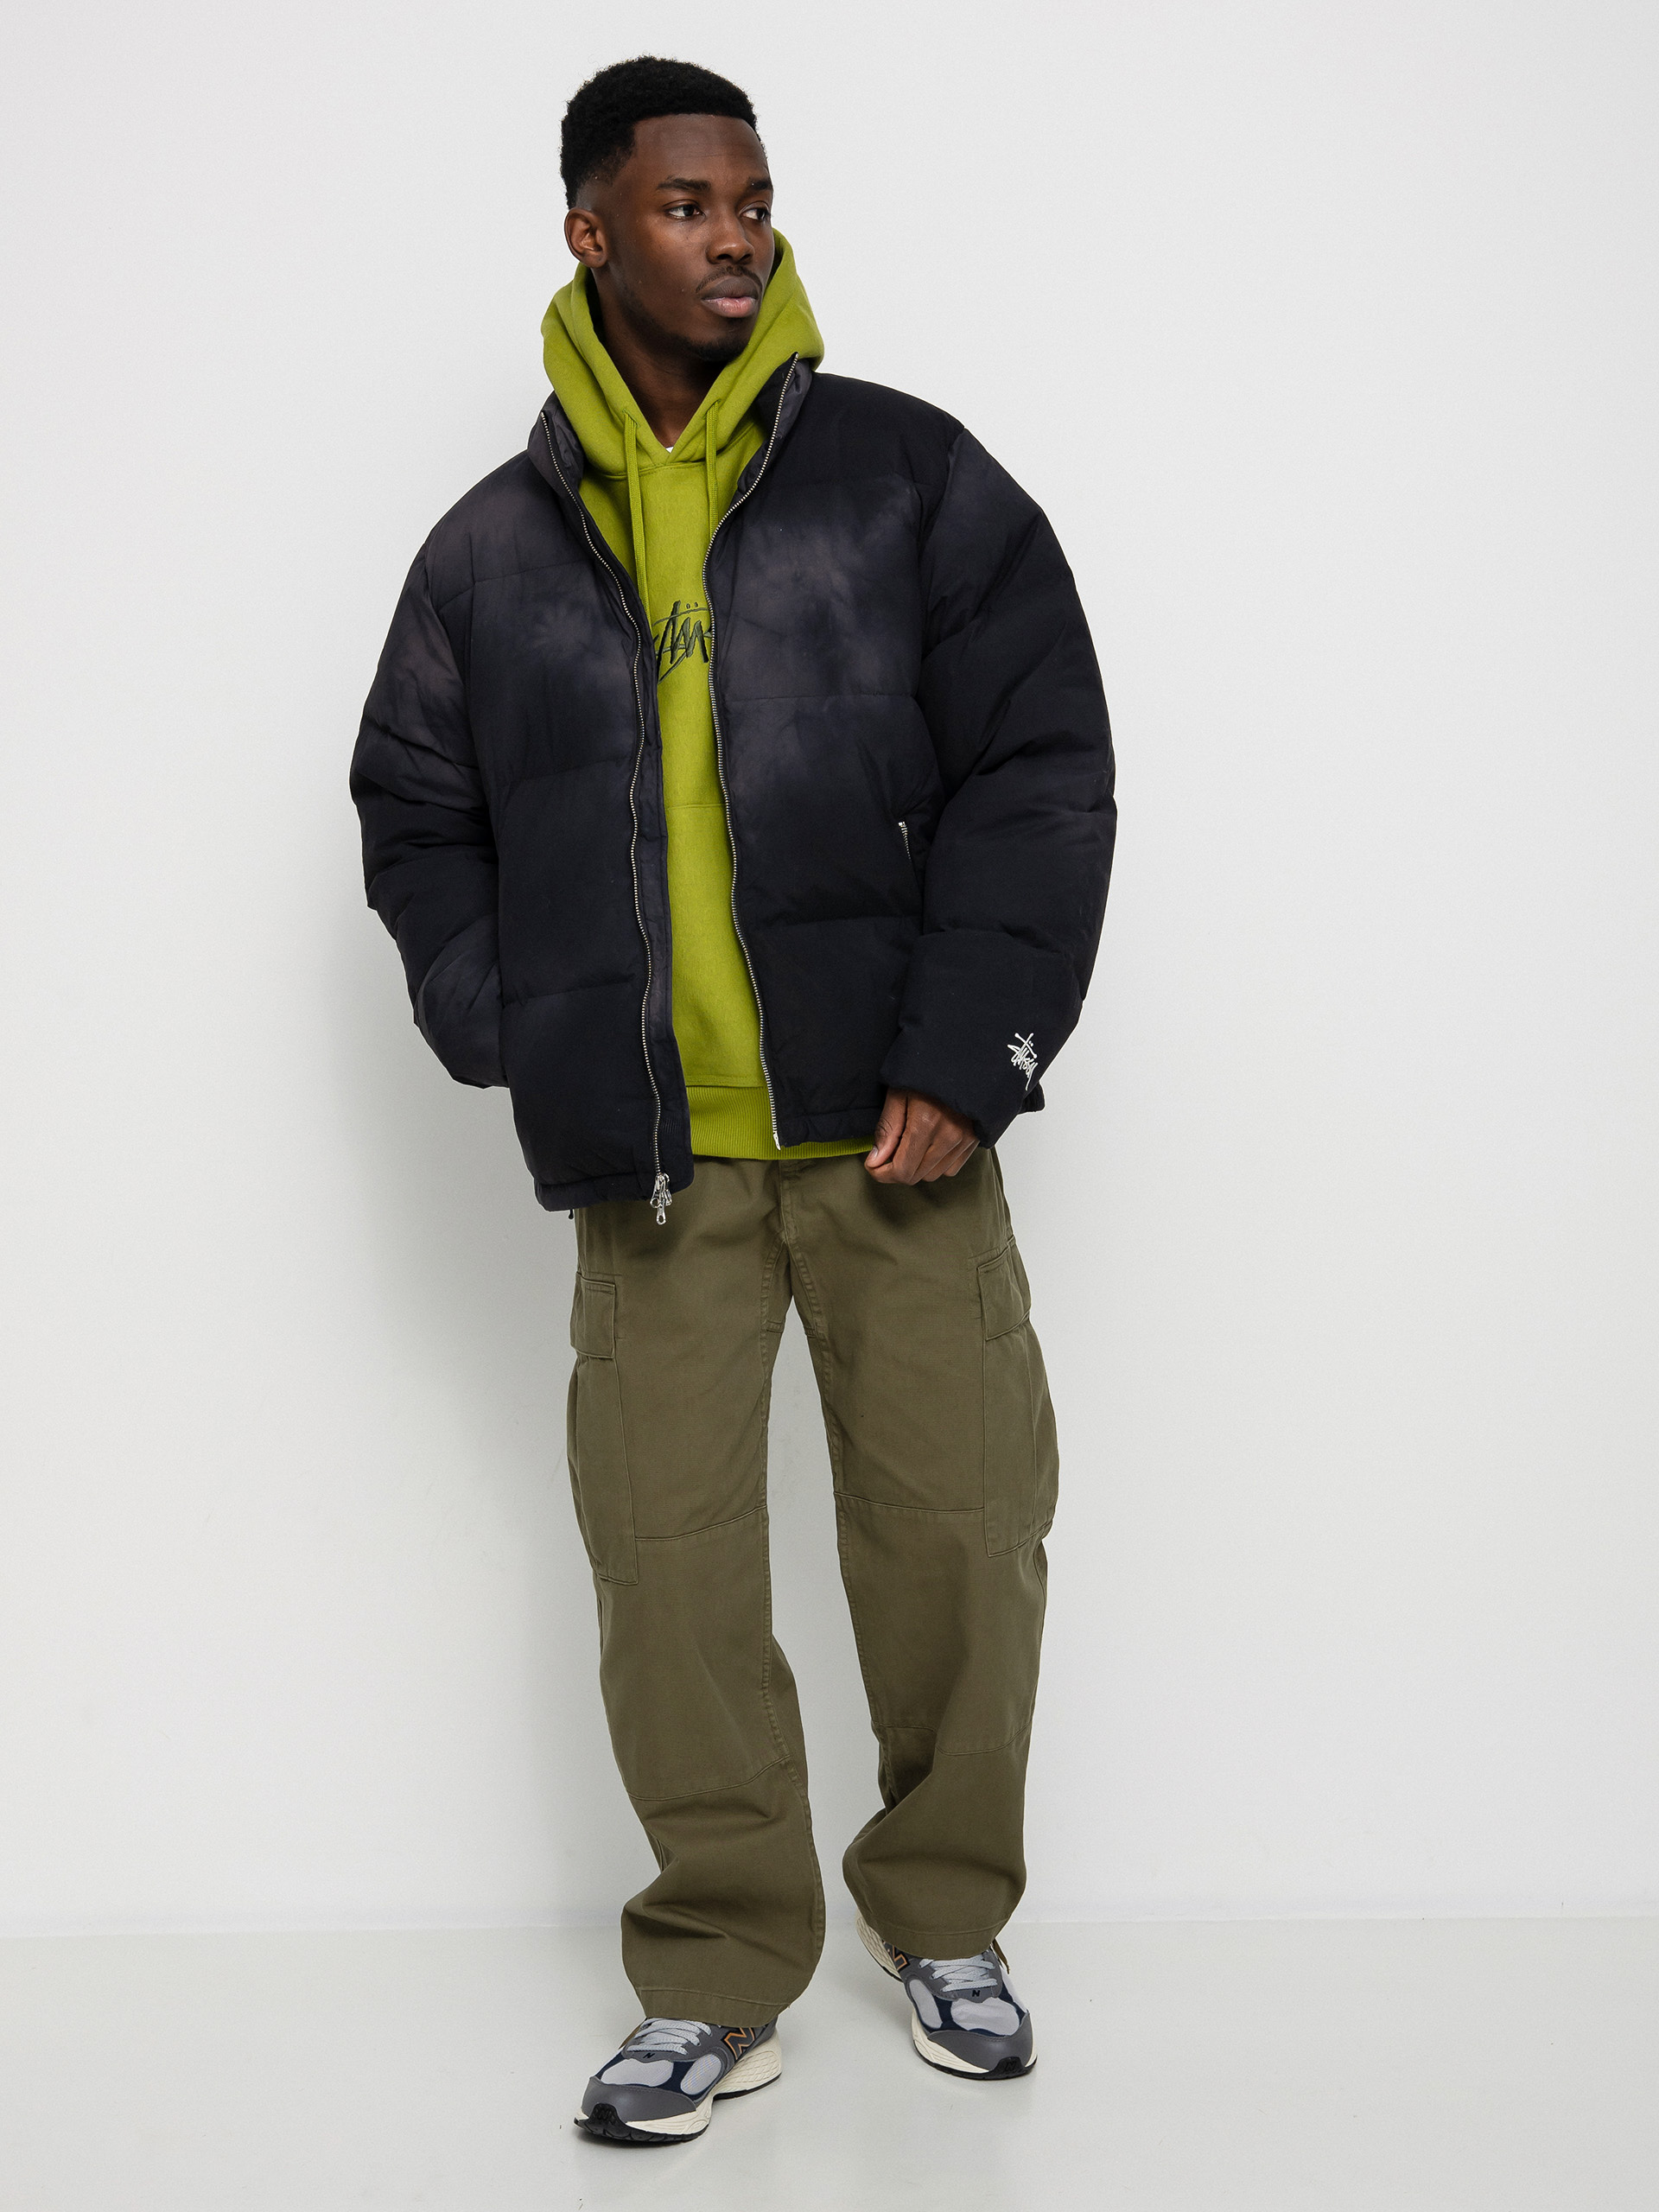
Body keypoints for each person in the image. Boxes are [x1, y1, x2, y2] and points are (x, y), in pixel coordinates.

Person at [351, 54, 1115, 2147]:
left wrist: (967, 1050)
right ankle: (713, 1968)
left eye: (754, 199)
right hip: (654, 1163)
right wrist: (524, 1024)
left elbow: (1042, 762)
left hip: (896, 1134)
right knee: (669, 1578)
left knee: (962, 1538)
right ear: (591, 229)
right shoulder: (492, 552)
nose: (735, 235)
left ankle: (945, 1915)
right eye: (688, 203)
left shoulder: (907, 479)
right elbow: (415, 807)